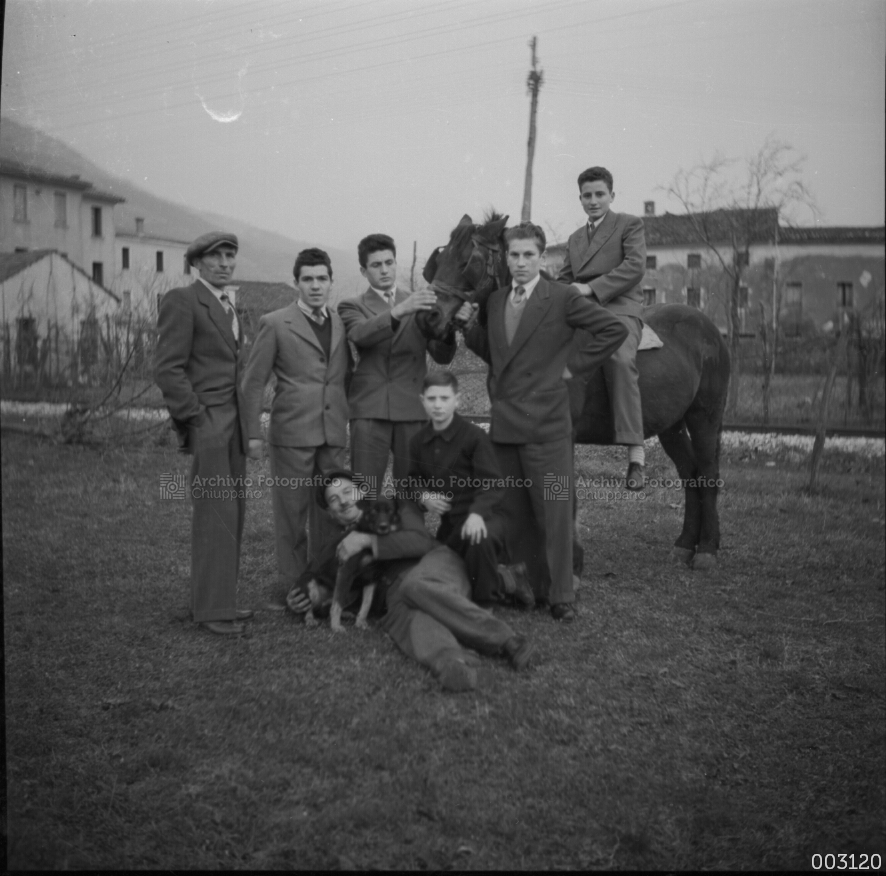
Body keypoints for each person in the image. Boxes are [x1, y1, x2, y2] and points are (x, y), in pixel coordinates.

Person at [459, 222, 628, 622]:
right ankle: (527, 586)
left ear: (543, 257)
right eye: (514, 255)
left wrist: (570, 369)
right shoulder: (497, 300)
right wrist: (469, 326)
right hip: (506, 430)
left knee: (553, 508)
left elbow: (612, 329)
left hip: (547, 430)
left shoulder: (562, 297)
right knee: (513, 512)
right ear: (507, 257)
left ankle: (561, 594)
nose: (520, 263)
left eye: (528, 255)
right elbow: (501, 353)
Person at [288, 470, 534, 692]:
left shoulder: (395, 506)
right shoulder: (335, 545)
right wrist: (297, 595)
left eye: (347, 491)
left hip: (435, 564)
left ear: (361, 490)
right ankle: (452, 664)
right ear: (330, 513)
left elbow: (421, 542)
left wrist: (367, 541)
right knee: (411, 618)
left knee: (414, 585)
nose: (343, 501)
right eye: (334, 499)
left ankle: (507, 640)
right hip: (393, 595)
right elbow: (310, 576)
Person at [241, 248, 352, 610]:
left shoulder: (339, 322)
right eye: (308, 279)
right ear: (296, 282)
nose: (316, 286)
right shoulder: (275, 323)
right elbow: (253, 383)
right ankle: (292, 587)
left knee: (332, 511)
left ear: (331, 282)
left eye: (322, 279)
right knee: (291, 513)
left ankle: (325, 583)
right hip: (291, 433)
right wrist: (252, 433)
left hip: (332, 432)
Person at [155, 231, 251, 636]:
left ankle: (219, 600)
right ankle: (212, 611)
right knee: (216, 513)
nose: (225, 263)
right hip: (210, 422)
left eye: (230, 256)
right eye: (216, 257)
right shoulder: (182, 300)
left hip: (237, 424)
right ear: (197, 263)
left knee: (235, 512)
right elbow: (167, 369)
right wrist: (195, 418)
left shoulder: (231, 305)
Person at [338, 233, 457, 500]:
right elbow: (360, 334)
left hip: (412, 410)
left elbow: (441, 356)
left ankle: (409, 541)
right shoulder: (351, 305)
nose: (384, 270)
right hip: (370, 410)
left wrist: (450, 329)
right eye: (376, 265)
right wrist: (399, 310)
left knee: (412, 495)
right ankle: (366, 542)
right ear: (363, 270)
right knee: (365, 494)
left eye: (389, 263)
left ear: (396, 263)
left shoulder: (421, 302)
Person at [405, 370, 534, 607]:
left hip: (487, 517)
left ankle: (485, 604)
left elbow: (493, 483)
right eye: (432, 399)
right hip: (451, 524)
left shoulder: (473, 436)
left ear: (458, 400)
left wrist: (477, 514)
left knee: (477, 539)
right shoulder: (418, 441)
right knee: (446, 566)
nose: (438, 406)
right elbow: (410, 481)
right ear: (422, 400)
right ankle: (509, 579)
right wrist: (423, 495)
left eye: (445, 398)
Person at [558, 166, 648, 490]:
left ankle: (635, 456)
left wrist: (590, 288)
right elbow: (564, 278)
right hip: (584, 312)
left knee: (620, 359)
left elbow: (635, 267)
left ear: (612, 195)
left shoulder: (628, 225)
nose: (593, 201)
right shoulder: (574, 238)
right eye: (587, 195)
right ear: (579, 198)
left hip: (620, 308)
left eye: (600, 194)